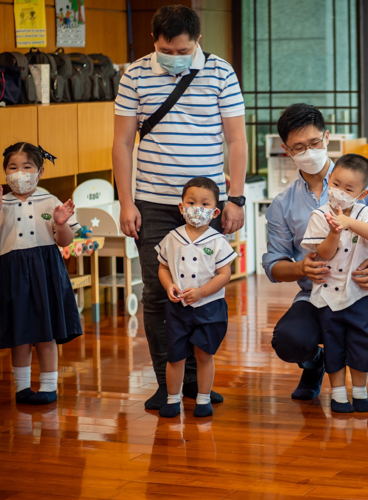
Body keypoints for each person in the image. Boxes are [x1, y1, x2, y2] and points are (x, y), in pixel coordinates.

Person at [112, 5, 247, 410]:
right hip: (152, 202)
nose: (175, 55)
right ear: (155, 41)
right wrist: (126, 202)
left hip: (206, 205)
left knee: (205, 291)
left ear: (197, 41)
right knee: (158, 293)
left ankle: (195, 382)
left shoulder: (221, 72)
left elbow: (236, 140)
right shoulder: (134, 74)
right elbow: (121, 143)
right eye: (167, 48)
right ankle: (165, 382)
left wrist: (235, 198)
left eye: (183, 49)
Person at [262, 103, 368, 401]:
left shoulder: (364, 183)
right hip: (318, 295)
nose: (309, 151)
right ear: (286, 150)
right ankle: (314, 365)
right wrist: (300, 269)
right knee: (288, 340)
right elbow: (273, 264)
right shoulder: (283, 204)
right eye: (299, 147)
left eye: (314, 143)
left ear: (326, 138)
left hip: (366, 290)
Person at [301, 154, 368, 413]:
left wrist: (350, 223)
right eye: (335, 184)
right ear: (329, 181)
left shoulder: (366, 212)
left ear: (362, 194)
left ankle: (360, 393)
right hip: (328, 294)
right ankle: (338, 395)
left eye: (348, 189)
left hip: (362, 294)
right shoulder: (319, 214)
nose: (339, 192)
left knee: (362, 342)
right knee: (334, 343)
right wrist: (334, 232)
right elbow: (324, 253)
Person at [0, 142, 82, 405]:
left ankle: (48, 386)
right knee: (19, 332)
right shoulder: (2, 203)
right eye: (13, 167)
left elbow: (65, 241)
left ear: (40, 171)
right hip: (12, 273)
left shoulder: (51, 200)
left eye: (27, 167)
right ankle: (22, 387)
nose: (19, 173)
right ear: (5, 172)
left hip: (45, 271)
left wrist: (60, 223)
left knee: (46, 332)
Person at [156, 177, 237, 418]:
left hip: (209, 307)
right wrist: (169, 285)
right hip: (178, 308)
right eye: (191, 203)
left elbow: (225, 274)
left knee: (204, 354)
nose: (196, 209)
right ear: (181, 207)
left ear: (214, 212)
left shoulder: (218, 241)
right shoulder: (172, 238)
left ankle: (203, 398)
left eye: (204, 205)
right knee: (175, 356)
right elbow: (162, 268)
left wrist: (202, 292)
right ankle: (172, 400)